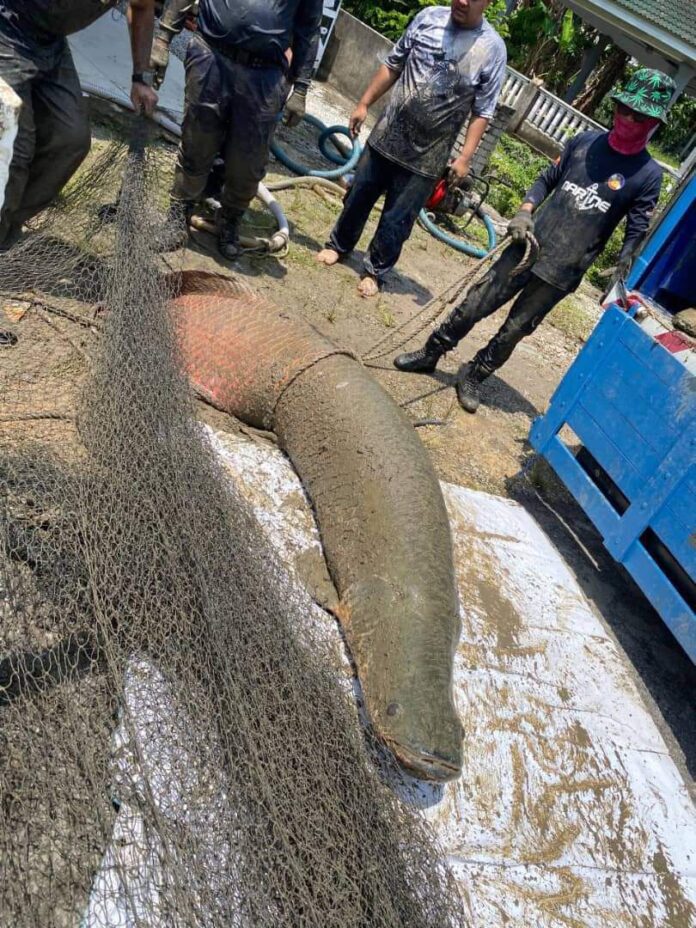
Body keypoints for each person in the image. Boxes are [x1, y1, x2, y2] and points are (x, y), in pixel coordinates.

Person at [394, 67, 675, 413]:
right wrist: (525, 211)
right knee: (476, 302)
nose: (628, 119)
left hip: (564, 269)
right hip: (526, 245)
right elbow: (546, 179)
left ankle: (475, 376)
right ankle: (431, 351)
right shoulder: (583, 143)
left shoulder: (648, 175)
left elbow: (637, 227)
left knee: (516, 329)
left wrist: (623, 266)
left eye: (639, 116)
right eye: (624, 110)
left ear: (654, 124)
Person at [316, 0, 506, 298]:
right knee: (358, 197)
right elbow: (393, 64)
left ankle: (375, 271)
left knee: (398, 219)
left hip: (428, 155)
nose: (462, 1)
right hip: (386, 136)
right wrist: (364, 103)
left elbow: (483, 111)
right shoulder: (428, 18)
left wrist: (466, 157)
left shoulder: (492, 49)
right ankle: (337, 246)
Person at [153, 0, 323, 259]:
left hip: (265, 74)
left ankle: (230, 220)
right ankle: (178, 214)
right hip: (210, 55)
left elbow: (309, 29)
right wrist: (163, 37)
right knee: (196, 141)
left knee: (249, 161)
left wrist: (300, 87)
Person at [0, 0, 158, 248]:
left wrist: (141, 78)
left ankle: (8, 226)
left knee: (71, 140)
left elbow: (142, 8)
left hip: (51, 43)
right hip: (8, 29)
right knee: (15, 150)